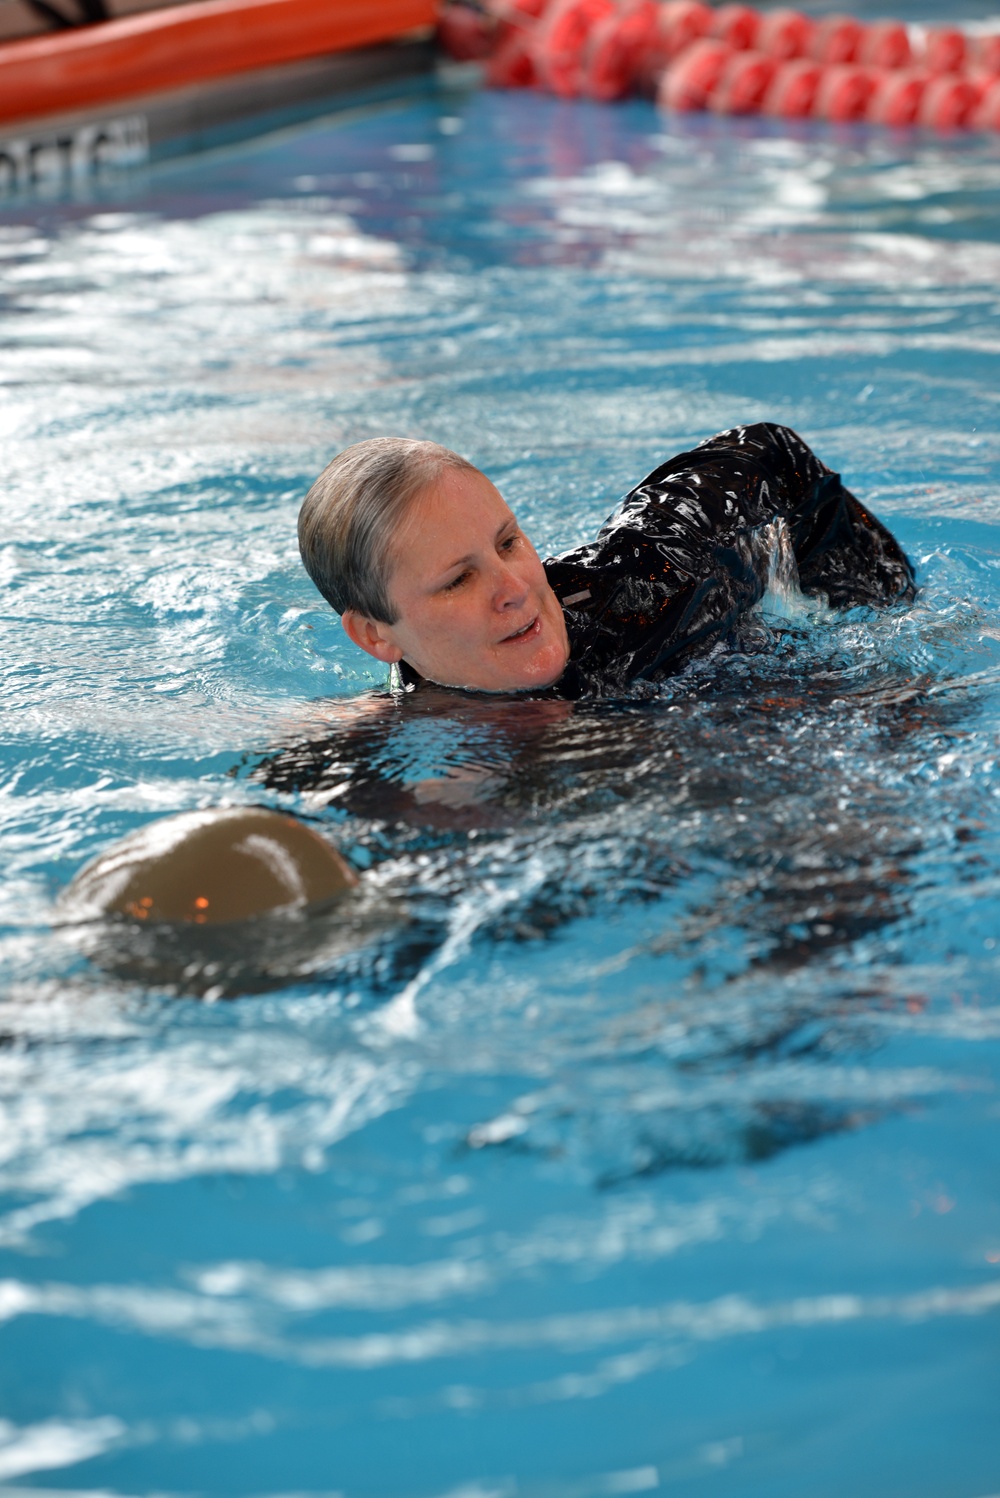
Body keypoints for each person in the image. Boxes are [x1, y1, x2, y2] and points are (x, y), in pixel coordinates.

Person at [297, 423, 915, 699]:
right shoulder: (394, 730)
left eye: (509, 543)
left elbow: (769, 455)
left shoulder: (646, 586)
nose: (515, 587)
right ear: (376, 635)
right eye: (459, 579)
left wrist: (889, 632)